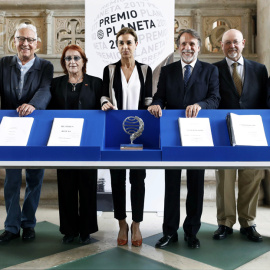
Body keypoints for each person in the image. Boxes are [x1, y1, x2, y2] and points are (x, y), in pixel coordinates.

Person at [148, 29, 220, 249]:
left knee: (196, 185)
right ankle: (169, 232)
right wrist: (156, 104)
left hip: (198, 135)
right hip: (172, 134)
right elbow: (160, 96)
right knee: (171, 184)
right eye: (183, 44)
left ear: (198, 46)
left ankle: (191, 232)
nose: (187, 48)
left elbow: (215, 99)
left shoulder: (210, 70)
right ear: (178, 46)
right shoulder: (167, 71)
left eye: (191, 44)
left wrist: (200, 105)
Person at [213, 29, 268, 242]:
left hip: (253, 132)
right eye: (227, 43)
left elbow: (265, 100)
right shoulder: (213, 70)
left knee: (252, 177)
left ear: (243, 43)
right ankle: (225, 223)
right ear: (221, 45)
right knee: (225, 179)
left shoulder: (260, 70)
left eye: (235, 42)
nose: (232, 46)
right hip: (223, 131)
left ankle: (248, 222)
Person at [0, 23, 53, 243]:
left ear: (37, 43)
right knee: (11, 179)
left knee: (34, 177)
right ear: (14, 41)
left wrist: (33, 105)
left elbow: (45, 89)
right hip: (11, 128)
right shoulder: (3, 64)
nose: (26, 44)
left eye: (30, 40)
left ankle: (28, 223)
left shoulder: (45, 66)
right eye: (21, 39)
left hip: (35, 127)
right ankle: (12, 226)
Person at [101, 27, 152, 247]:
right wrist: (104, 102)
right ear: (117, 46)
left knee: (138, 179)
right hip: (115, 132)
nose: (125, 47)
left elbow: (149, 99)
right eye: (121, 43)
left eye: (129, 42)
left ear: (136, 44)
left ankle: (137, 223)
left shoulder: (145, 69)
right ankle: (122, 222)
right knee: (117, 179)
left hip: (140, 132)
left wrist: (155, 108)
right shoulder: (110, 69)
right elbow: (104, 94)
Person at [48, 44, 101, 245]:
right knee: (66, 187)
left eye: (76, 58)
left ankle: (86, 230)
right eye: (68, 58)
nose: (72, 62)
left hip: (87, 143)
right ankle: (69, 230)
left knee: (87, 186)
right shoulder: (55, 84)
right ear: (63, 62)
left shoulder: (96, 83)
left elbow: (101, 107)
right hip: (63, 143)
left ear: (84, 61)